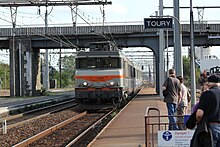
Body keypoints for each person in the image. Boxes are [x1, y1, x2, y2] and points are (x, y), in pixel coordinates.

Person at [196, 74, 220, 147]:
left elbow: (199, 114)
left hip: (210, 126)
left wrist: (199, 122)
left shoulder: (207, 94)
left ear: (209, 83)